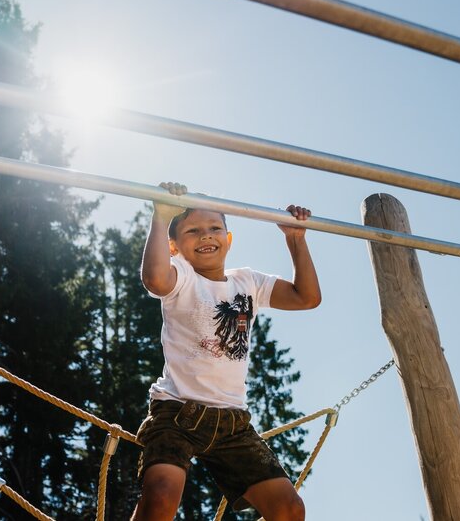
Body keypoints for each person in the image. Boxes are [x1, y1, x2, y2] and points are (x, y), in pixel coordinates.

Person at [132, 181, 321, 521]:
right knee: (160, 498)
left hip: (232, 423)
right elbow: (155, 280)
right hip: (177, 413)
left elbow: (306, 297)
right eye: (193, 231)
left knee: (289, 509)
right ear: (174, 247)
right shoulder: (182, 279)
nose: (206, 236)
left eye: (214, 228)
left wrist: (295, 240)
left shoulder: (247, 282)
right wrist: (160, 216)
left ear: (228, 239)